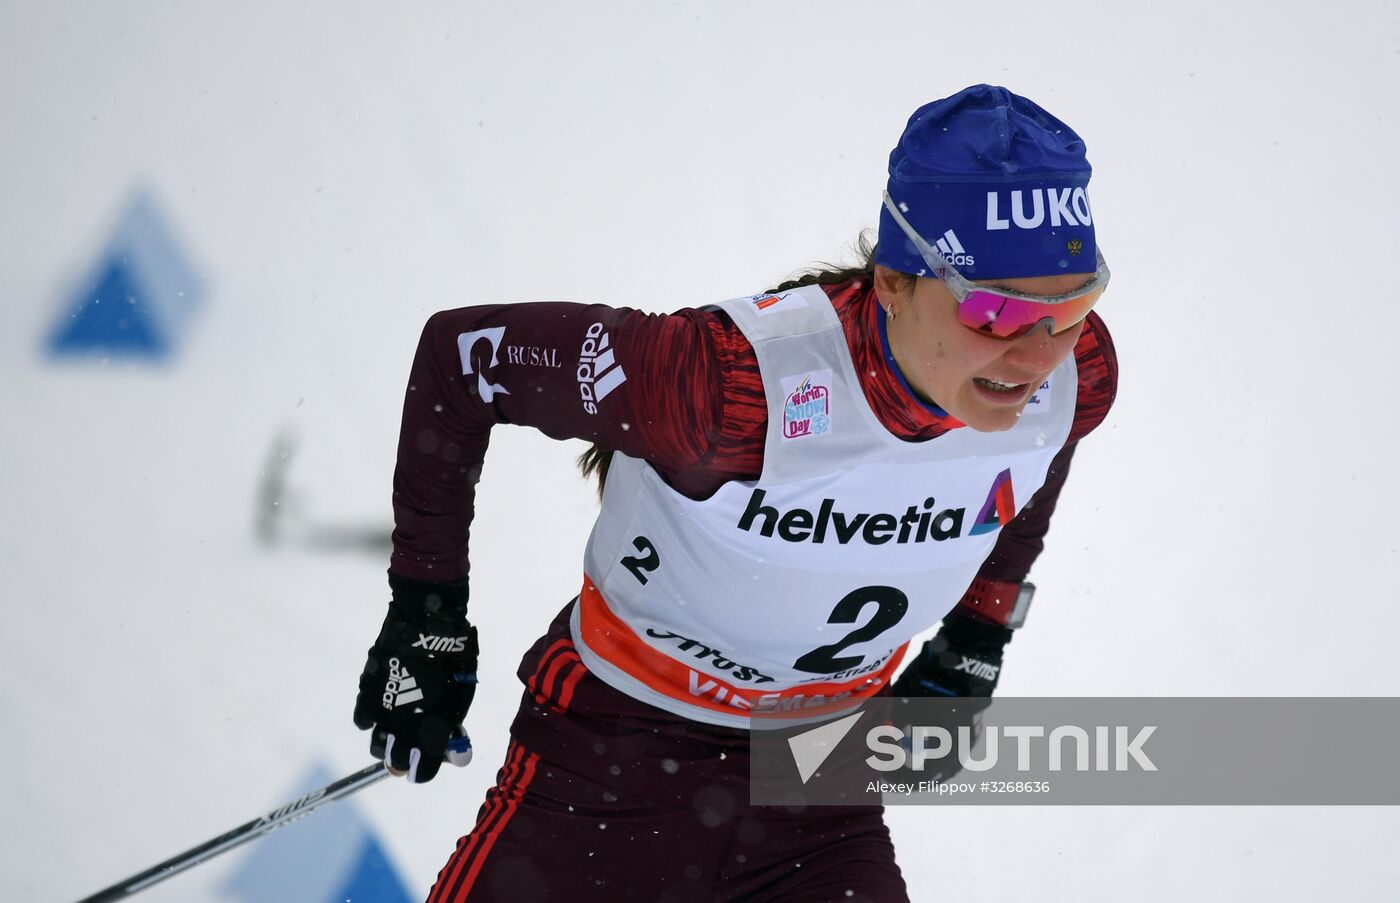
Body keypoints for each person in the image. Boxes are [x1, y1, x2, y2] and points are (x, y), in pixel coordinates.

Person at [353, 84, 1118, 902]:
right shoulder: (726, 388)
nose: (1035, 358)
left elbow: (1041, 446)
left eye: (1068, 308)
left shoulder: (1075, 379)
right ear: (895, 279)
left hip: (820, 785)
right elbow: (461, 358)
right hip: (612, 762)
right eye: (995, 313)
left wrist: (981, 628)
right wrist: (424, 612)